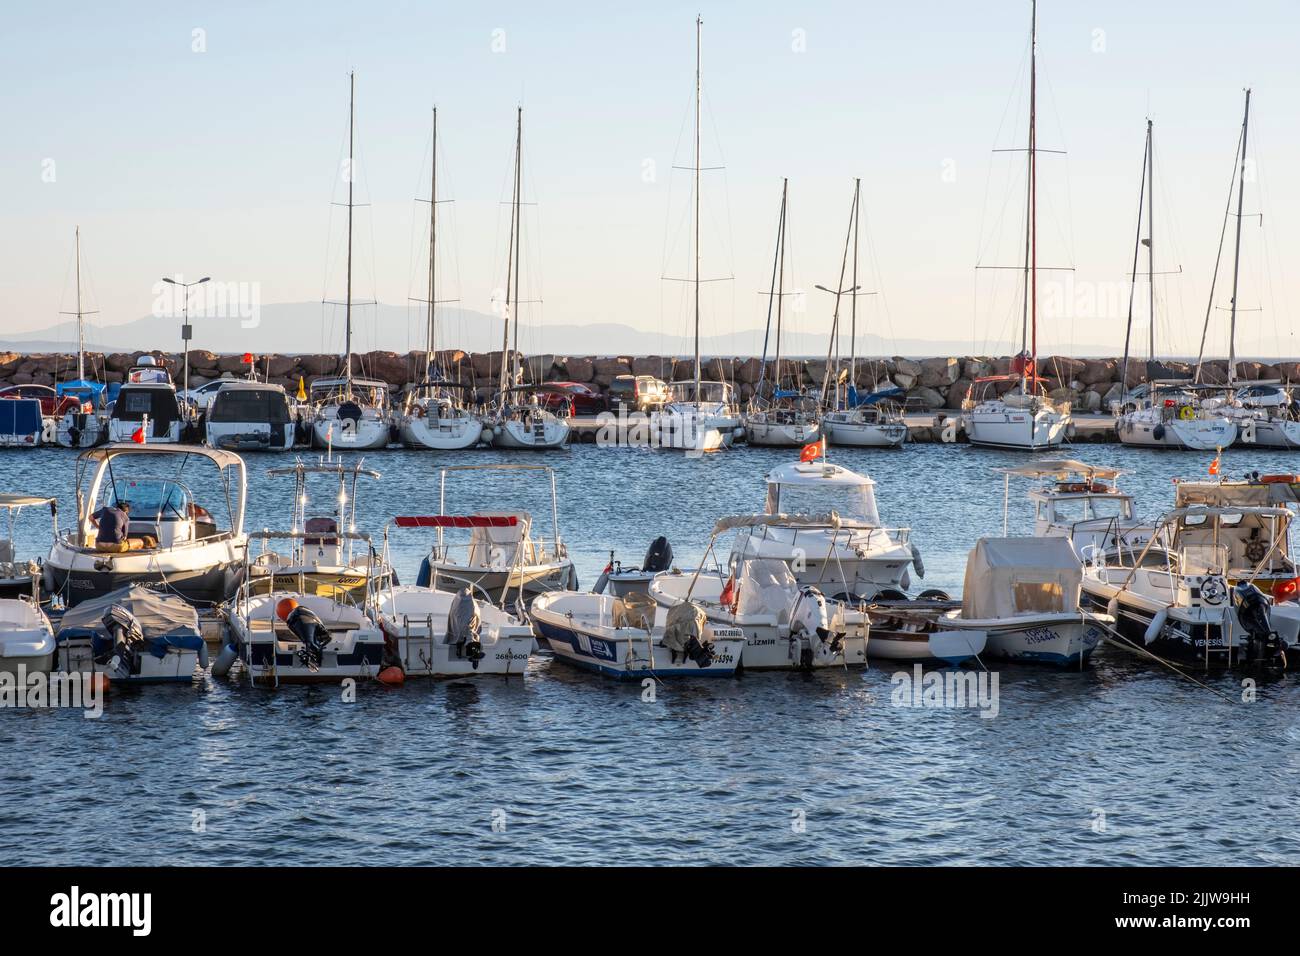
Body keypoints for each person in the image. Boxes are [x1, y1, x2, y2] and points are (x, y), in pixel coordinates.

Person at [276, 597, 330, 671]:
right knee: (311, 643)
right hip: (307, 620)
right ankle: (317, 661)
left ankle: (316, 662)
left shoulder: (293, 617)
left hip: (301, 621)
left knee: (310, 642)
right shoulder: (297, 614)